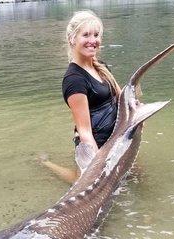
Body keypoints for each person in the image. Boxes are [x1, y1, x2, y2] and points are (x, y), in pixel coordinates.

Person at [41, 10, 121, 183]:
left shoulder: (101, 66)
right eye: (86, 35)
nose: (93, 41)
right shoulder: (74, 80)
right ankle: (46, 164)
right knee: (83, 182)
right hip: (96, 144)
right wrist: (98, 164)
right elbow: (84, 131)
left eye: (96, 35)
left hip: (116, 138)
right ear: (72, 39)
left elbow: (121, 99)